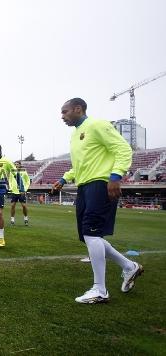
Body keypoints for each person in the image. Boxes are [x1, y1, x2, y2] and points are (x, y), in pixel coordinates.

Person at [53, 97, 143, 304]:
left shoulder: (97, 124)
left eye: (65, 112)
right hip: (84, 187)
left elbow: (123, 149)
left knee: (91, 233)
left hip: (100, 184)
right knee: (89, 236)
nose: (62, 116)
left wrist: (116, 176)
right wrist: (63, 178)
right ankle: (129, 267)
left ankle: (100, 290)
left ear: (78, 109)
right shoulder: (76, 135)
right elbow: (80, 165)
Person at [10, 161, 30, 226]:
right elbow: (10, 180)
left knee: (24, 206)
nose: (16, 165)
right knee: (12, 205)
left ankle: (26, 218)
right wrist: (11, 187)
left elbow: (27, 181)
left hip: (21, 191)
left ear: (20, 165)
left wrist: (25, 189)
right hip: (14, 191)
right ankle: (12, 220)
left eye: (17, 164)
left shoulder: (24, 172)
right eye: (15, 164)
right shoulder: (12, 172)